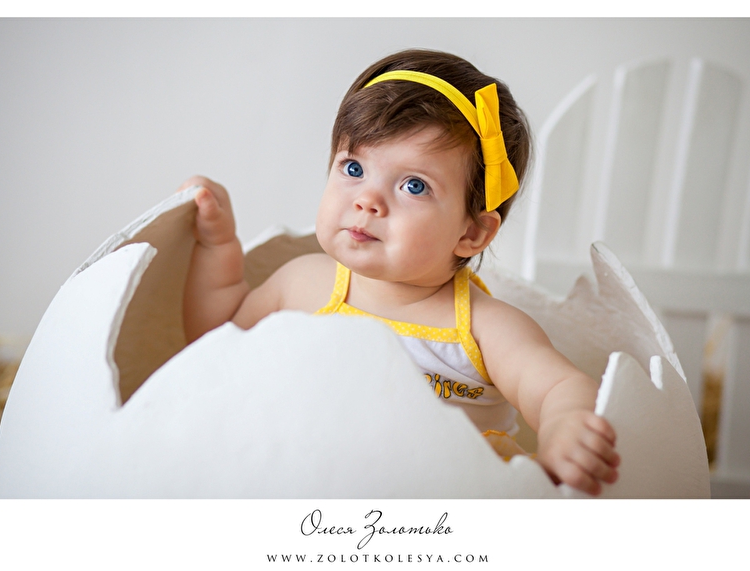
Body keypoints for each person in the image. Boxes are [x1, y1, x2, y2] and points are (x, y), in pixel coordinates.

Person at [180, 49, 620, 495]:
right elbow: (216, 346)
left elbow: (558, 386)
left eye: (414, 185)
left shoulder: (484, 328)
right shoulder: (302, 285)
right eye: (354, 168)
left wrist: (565, 426)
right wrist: (216, 245)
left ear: (471, 233)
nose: (368, 200)